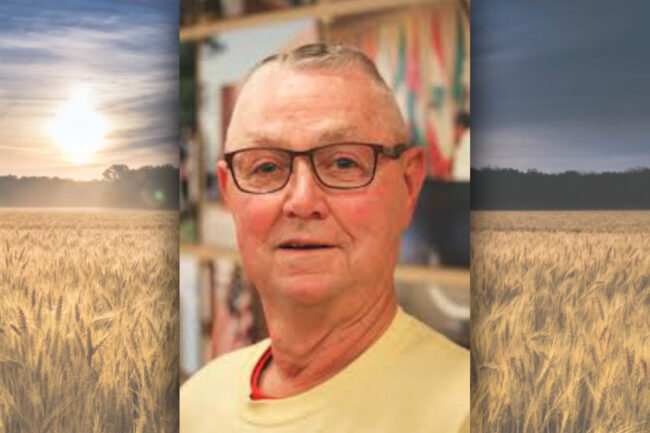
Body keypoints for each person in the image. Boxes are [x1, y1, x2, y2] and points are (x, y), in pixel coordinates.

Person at [181, 43, 469, 433]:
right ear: (229, 193)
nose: (302, 201)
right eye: (265, 166)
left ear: (409, 184)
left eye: (344, 162)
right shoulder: (195, 403)